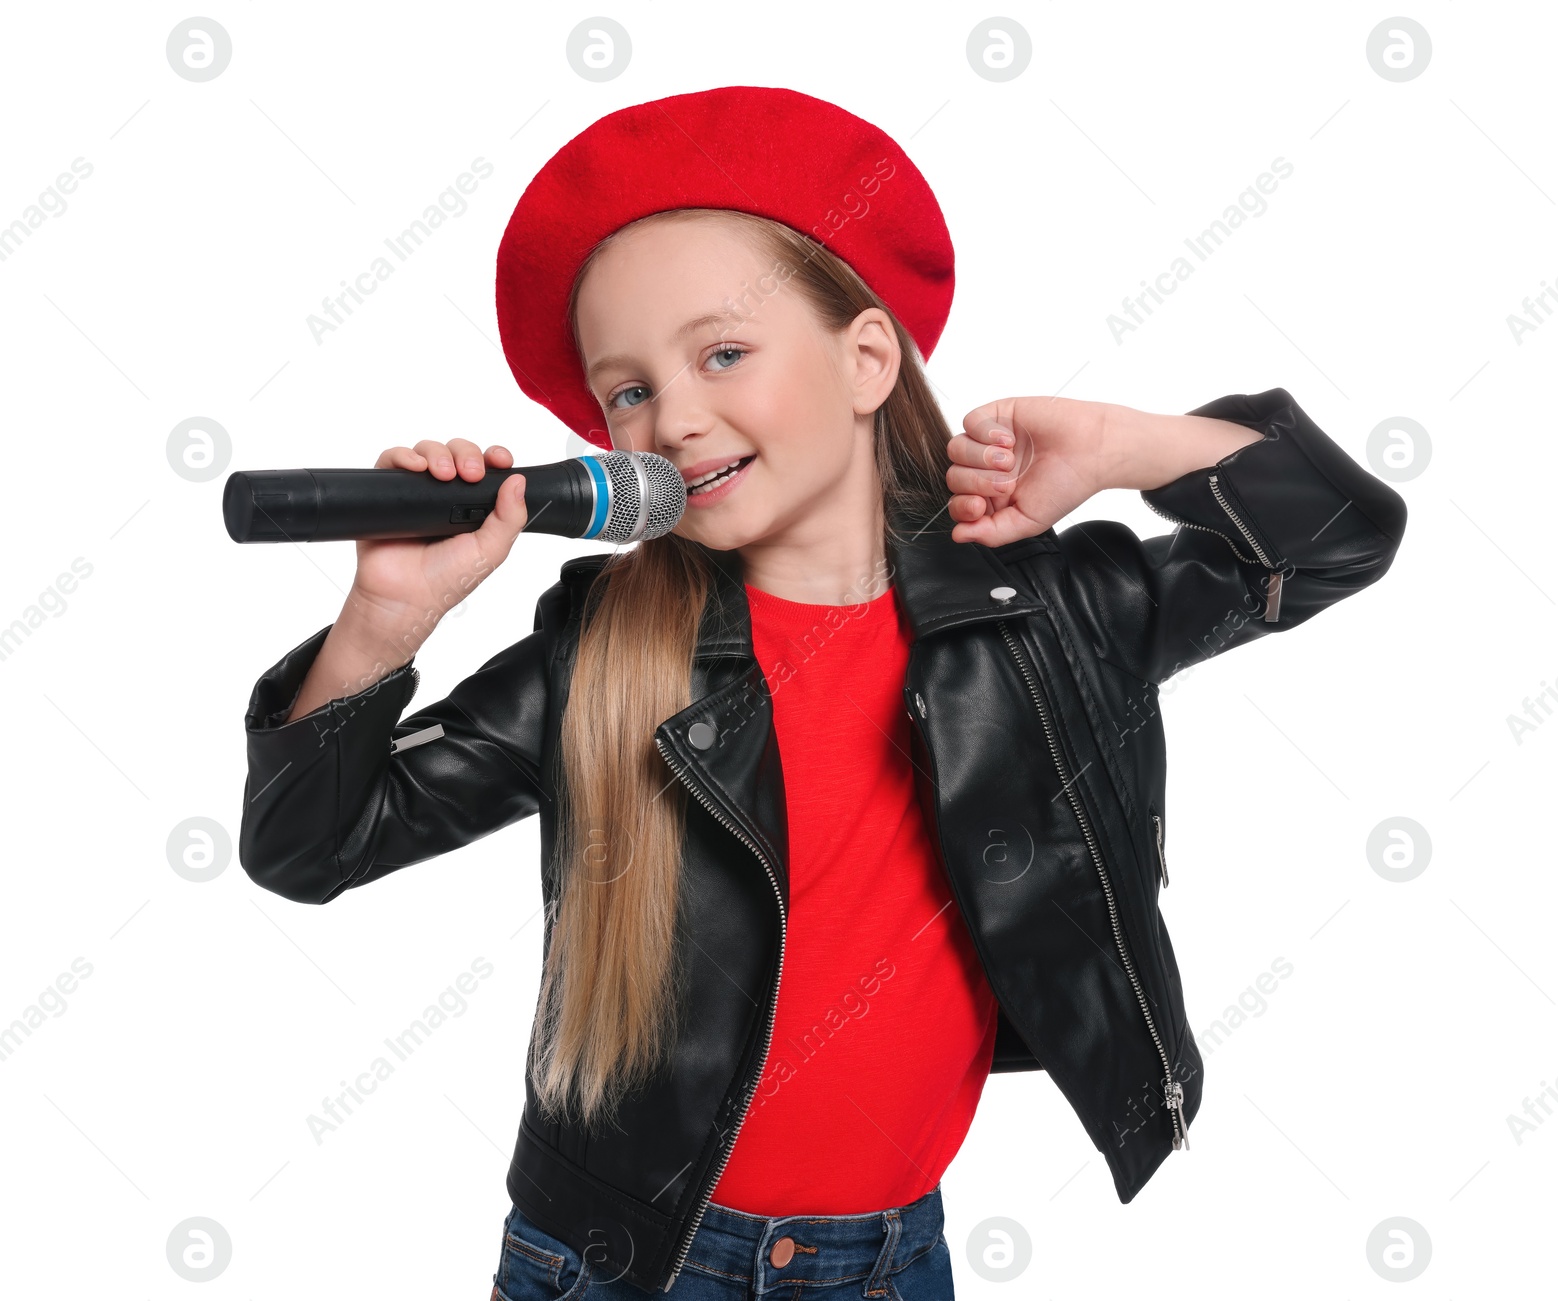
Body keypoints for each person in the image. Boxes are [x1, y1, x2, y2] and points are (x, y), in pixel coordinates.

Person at [237, 86, 1406, 1299]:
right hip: (621, 1261)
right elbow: (308, 846)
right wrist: (385, 620)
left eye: (723, 352)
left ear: (864, 358)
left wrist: (1126, 446)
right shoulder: (604, 646)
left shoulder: (1051, 615)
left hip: (889, 1256)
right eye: (626, 390)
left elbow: (1337, 542)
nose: (674, 416)